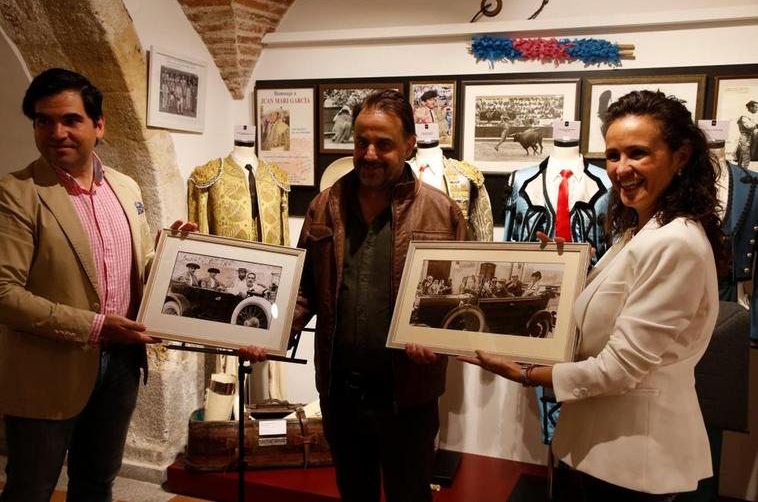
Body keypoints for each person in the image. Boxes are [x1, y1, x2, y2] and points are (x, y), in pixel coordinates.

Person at [460, 90, 726, 501]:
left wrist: (525, 374)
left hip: (631, 460)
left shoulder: (675, 242)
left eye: (638, 153)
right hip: (595, 449)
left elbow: (617, 369)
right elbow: (615, 308)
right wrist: (572, 274)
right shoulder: (640, 232)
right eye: (614, 155)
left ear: (681, 156)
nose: (621, 169)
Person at [241, 89, 468, 502]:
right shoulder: (325, 206)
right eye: (361, 141)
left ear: (410, 146)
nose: (369, 153)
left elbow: (459, 304)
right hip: (340, 392)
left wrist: (440, 344)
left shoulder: (443, 213)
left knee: (410, 494)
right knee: (354, 491)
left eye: (384, 144)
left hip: (409, 396)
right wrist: (268, 333)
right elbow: (304, 290)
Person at [0, 68, 196, 502]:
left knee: (96, 485)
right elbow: (5, 296)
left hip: (121, 365)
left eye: (71, 120)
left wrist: (171, 256)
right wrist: (95, 326)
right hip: (46, 370)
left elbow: (137, 264)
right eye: (43, 120)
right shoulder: (16, 192)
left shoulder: (125, 187)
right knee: (30, 490)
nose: (57, 132)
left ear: (98, 126)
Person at [736, 100, 758, 167]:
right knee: (746, 158)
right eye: (756, 107)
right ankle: (744, 174)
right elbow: (748, 126)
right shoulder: (744, 116)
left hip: (747, 137)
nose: (757, 109)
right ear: (751, 107)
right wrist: (756, 125)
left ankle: (739, 173)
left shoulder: (747, 116)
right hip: (745, 137)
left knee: (742, 157)